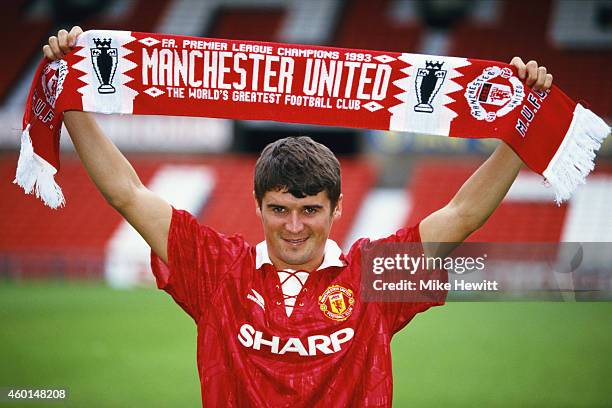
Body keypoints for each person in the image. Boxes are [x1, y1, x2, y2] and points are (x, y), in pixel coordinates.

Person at [44, 26, 553, 407]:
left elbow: (462, 214)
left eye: (310, 210)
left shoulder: (371, 277)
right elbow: (128, 195)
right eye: (280, 210)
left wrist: (522, 127)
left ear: (336, 210)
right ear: (258, 206)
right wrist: (71, 103)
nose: (293, 227)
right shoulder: (218, 269)